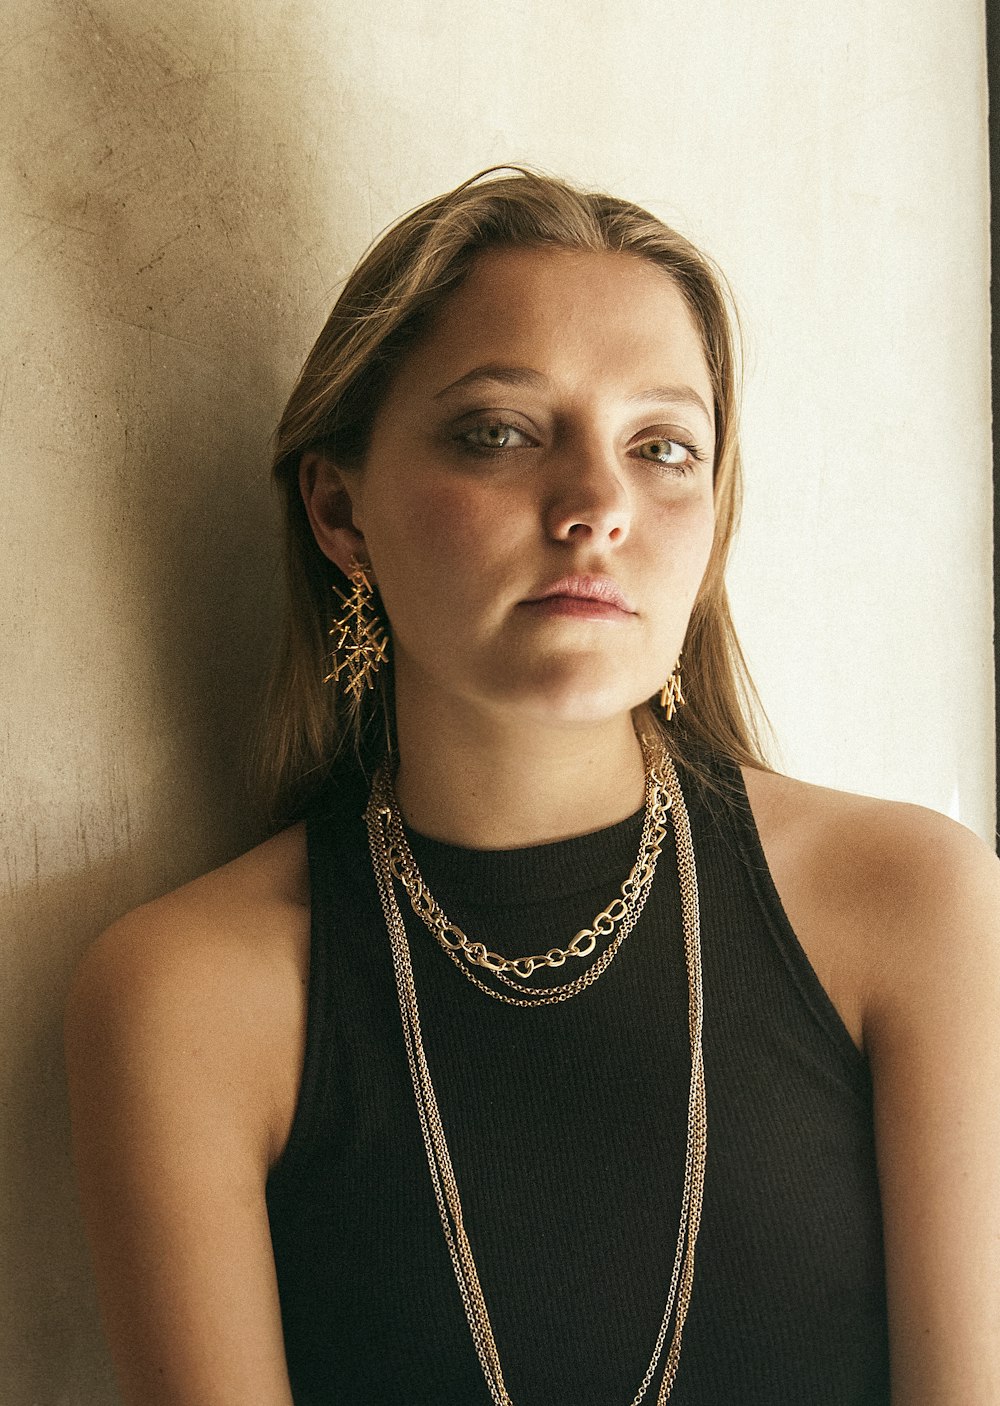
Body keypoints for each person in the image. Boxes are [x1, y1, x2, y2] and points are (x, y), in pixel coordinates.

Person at [64, 167, 1000, 1406]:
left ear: (711, 518)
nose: (598, 505)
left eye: (661, 446)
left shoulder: (912, 900)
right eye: (500, 433)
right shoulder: (190, 994)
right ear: (340, 509)